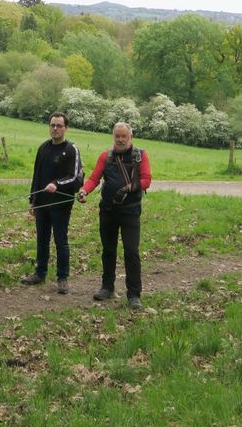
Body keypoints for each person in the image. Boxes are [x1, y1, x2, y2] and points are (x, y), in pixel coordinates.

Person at [78, 121, 152, 309]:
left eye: (123, 136)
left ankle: (134, 294)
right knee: (108, 250)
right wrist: (84, 191)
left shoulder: (140, 156)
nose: (120, 140)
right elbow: (94, 178)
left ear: (130, 137)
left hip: (130, 211)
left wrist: (128, 188)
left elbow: (146, 180)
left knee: (131, 252)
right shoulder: (106, 156)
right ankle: (107, 287)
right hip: (108, 211)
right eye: (117, 136)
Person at [22, 111, 83, 294]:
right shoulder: (43, 148)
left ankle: (62, 278)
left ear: (66, 128)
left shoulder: (71, 149)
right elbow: (37, 176)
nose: (55, 129)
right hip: (42, 203)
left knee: (60, 241)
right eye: (53, 125)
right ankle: (40, 273)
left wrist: (56, 184)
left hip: (61, 205)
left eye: (59, 126)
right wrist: (32, 200)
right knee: (42, 240)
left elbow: (74, 177)